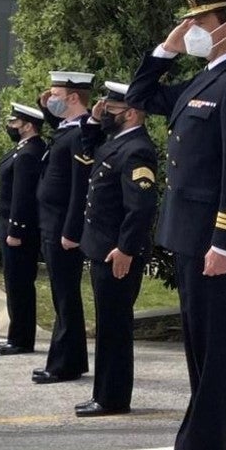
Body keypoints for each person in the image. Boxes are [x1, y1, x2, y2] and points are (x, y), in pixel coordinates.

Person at [127, 0, 226, 450]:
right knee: (200, 346)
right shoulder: (209, 79)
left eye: (201, 20)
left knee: (216, 350)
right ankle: (192, 447)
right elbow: (139, 97)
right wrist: (166, 50)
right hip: (188, 234)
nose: (190, 29)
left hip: (212, 240)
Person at [73, 81, 158, 418]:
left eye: (111, 109)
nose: (105, 112)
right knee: (108, 325)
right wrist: (94, 121)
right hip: (102, 249)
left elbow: (141, 207)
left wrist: (126, 249)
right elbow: (88, 151)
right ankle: (105, 395)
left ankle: (112, 398)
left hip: (116, 255)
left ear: (132, 113)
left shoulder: (137, 149)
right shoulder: (116, 143)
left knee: (114, 328)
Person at [33, 71, 95, 385]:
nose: (50, 97)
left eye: (56, 93)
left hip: (62, 227)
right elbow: (53, 117)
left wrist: (72, 231)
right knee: (61, 295)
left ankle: (64, 364)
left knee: (66, 296)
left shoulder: (82, 133)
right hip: (51, 223)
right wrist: (46, 103)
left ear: (72, 98)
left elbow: (80, 188)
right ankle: (68, 359)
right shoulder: (67, 128)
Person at [0, 103, 46, 356]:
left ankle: (21, 339)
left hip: (18, 231)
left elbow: (22, 196)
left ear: (28, 126)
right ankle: (16, 335)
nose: (10, 127)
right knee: (14, 284)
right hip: (8, 227)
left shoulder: (30, 153)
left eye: (14, 123)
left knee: (20, 285)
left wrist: (16, 229)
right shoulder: (22, 149)